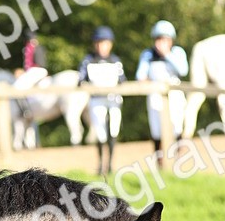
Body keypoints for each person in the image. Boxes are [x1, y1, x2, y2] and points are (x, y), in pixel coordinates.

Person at [136, 20, 189, 165]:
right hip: (154, 96)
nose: (161, 42)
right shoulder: (148, 54)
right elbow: (140, 75)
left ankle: (178, 160)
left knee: (177, 126)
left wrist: (167, 54)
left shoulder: (177, 52)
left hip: (175, 95)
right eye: (159, 39)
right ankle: (160, 162)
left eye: (165, 39)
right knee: (156, 129)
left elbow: (183, 70)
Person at [77, 26, 126, 176]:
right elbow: (80, 79)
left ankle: (110, 164)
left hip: (113, 99)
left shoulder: (115, 61)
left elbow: (123, 80)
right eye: (99, 42)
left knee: (113, 130)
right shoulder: (88, 60)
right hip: (97, 100)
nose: (102, 46)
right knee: (100, 133)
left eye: (105, 43)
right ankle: (100, 164)